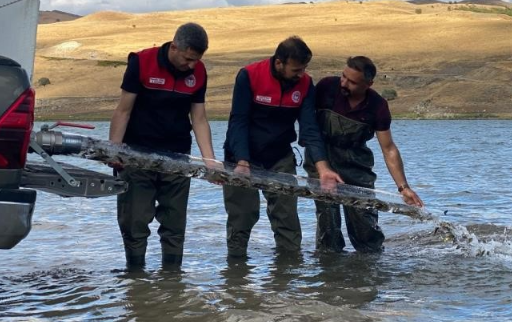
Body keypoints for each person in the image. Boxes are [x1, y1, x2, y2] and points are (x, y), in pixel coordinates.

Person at [222, 36, 342, 258]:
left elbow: (310, 129)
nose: (301, 74)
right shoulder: (249, 75)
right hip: (240, 155)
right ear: (279, 63)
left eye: (304, 68)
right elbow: (238, 120)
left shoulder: (305, 84)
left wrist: (324, 169)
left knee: (287, 219)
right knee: (242, 216)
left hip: (280, 157)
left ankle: (288, 276)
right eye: (297, 69)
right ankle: (236, 275)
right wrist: (242, 161)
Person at [109, 22, 215, 270]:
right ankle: (135, 279)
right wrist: (115, 151)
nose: (191, 66)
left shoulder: (198, 72)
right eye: (188, 59)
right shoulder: (142, 62)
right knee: (134, 223)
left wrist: (210, 160)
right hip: (136, 155)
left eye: (196, 61)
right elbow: (123, 110)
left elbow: (199, 119)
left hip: (178, 157)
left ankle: (172, 284)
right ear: (175, 47)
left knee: (175, 226)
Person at [304, 56, 423, 253]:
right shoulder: (326, 87)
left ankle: (370, 270)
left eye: (352, 82)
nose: (344, 83)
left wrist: (403, 188)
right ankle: (329, 273)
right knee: (328, 226)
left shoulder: (378, 106)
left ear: (369, 84)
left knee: (365, 225)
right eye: (343, 76)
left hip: (356, 165)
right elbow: (306, 123)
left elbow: (389, 148)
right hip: (321, 162)